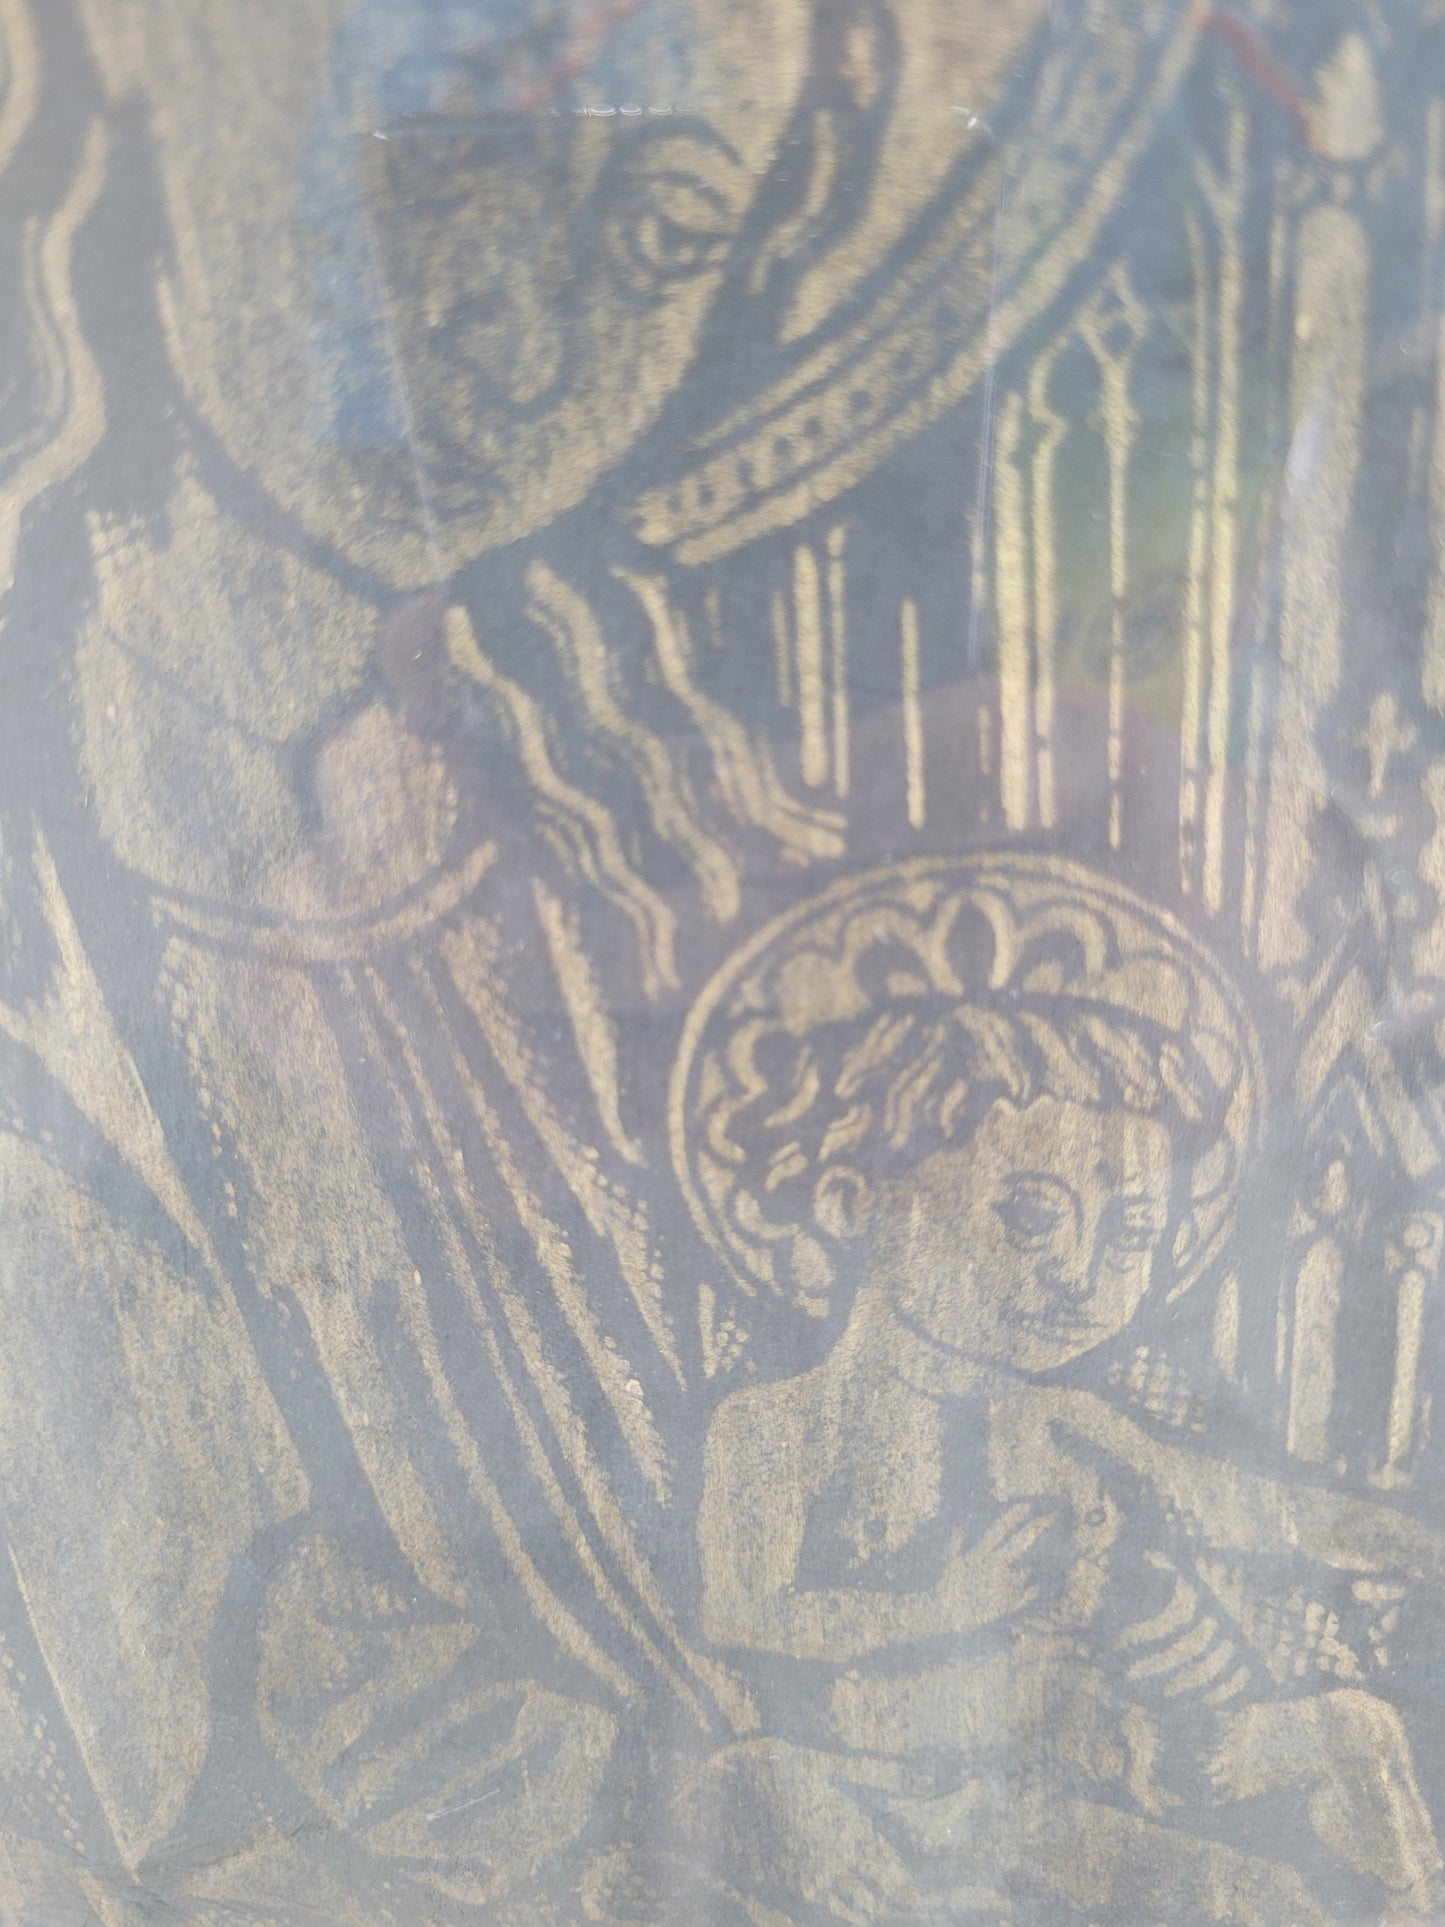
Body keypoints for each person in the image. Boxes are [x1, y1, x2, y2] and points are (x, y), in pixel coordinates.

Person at [689, 964, 1445, 1920]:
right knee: (1255, 1895)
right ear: (860, 1201)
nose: (1084, 1275)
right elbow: (740, 1612)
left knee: (1357, 1728)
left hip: (1091, 1755)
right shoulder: (776, 1425)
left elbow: (1254, 1511)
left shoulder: (1058, 1424)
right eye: (1033, 1217)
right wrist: (939, 1607)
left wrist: (1420, 1544)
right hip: (895, 1782)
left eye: (1129, 1230)